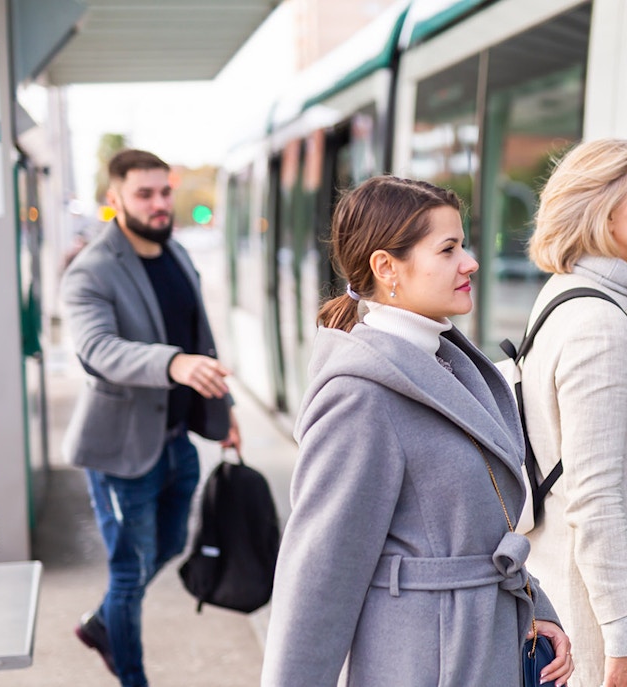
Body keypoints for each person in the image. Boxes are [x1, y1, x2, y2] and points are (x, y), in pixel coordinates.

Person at [260, 175, 574, 686]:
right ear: (387, 268)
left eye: (463, 245)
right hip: (427, 662)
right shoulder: (360, 396)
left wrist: (533, 603)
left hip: (477, 644)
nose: (470, 262)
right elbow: (317, 579)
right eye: (448, 249)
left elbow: (480, 527)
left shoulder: (446, 363)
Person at [60, 149, 240, 687]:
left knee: (166, 548)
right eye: (145, 194)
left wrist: (223, 410)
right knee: (125, 573)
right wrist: (174, 363)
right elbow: (99, 349)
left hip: (176, 439)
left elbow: (199, 335)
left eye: (165, 192)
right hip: (120, 450)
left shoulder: (177, 253)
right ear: (114, 200)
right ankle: (131, 674)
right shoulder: (90, 271)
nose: (160, 204)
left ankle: (100, 624)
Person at [521, 138, 627, 687]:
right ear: (604, 211)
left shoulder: (571, 295)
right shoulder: (601, 323)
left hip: (603, 598)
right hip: (601, 626)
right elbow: (594, 495)